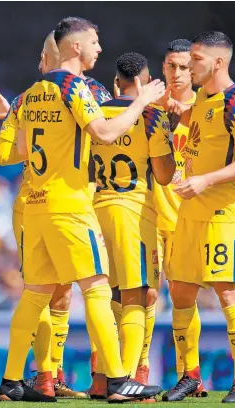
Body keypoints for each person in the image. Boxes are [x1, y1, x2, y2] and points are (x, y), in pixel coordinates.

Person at [0, 16, 166, 403]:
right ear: (75, 47)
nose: (99, 49)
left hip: (35, 205)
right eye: (94, 42)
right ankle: (120, 379)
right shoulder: (74, 86)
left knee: (35, 294)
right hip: (69, 206)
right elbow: (105, 133)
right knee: (97, 288)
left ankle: (10, 381)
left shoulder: (31, 93)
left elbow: (18, 150)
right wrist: (140, 102)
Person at [0, 30, 111, 399]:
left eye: (43, 53)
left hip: (45, 204)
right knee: (60, 290)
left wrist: (17, 122)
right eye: (39, 55)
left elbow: (10, 153)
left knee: (53, 293)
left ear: (58, 53)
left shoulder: (70, 93)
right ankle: (52, 377)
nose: (39, 62)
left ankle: (51, 376)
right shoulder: (58, 94)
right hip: (56, 203)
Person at [163, 31, 235, 404]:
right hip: (190, 212)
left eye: (196, 61)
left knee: (228, 293)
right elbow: (193, 121)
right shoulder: (203, 96)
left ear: (218, 62)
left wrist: (205, 178)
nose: (190, 68)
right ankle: (190, 377)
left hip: (223, 214)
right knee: (181, 292)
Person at [89, 51, 175, 398]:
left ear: (116, 80)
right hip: (133, 212)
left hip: (95, 210)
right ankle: (124, 380)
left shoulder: (94, 115)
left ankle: (101, 377)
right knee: (135, 297)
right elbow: (166, 176)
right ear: (142, 82)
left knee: (104, 296)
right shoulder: (153, 116)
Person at [153, 38, 207, 396]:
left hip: (188, 217)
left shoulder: (208, 107)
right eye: (171, 66)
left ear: (195, 70)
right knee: (141, 296)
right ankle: (137, 374)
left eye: (184, 67)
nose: (177, 73)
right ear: (162, 68)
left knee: (183, 297)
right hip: (153, 213)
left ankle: (191, 375)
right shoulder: (147, 104)